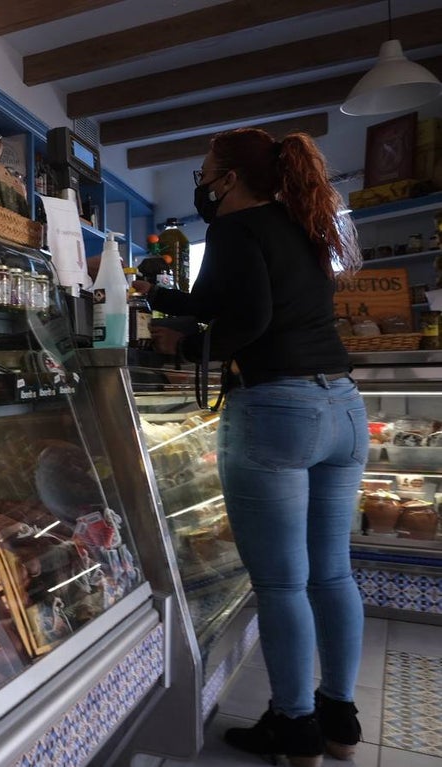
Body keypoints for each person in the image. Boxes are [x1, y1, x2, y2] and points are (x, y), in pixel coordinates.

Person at [135, 128, 366, 767]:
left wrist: (179, 344)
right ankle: (338, 722)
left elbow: (249, 321)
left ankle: (293, 731)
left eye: (207, 170)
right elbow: (217, 302)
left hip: (280, 409)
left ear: (229, 178)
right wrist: (157, 296)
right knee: (333, 573)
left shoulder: (237, 230)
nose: (202, 183)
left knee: (284, 584)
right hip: (342, 407)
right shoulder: (299, 226)